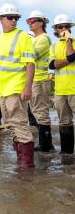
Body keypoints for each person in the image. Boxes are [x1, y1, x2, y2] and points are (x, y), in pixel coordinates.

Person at [0, 3, 35, 168]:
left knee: (20, 126)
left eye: (16, 18)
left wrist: (28, 87)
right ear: (1, 19)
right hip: (3, 91)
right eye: (10, 18)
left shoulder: (23, 36)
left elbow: (30, 64)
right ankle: (20, 164)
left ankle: (27, 168)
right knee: (11, 127)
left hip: (17, 89)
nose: (14, 21)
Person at [26, 10, 55, 152]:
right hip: (34, 79)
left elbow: (31, 56)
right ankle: (45, 144)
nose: (29, 24)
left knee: (41, 112)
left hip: (40, 79)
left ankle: (46, 145)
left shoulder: (43, 38)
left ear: (41, 22)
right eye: (28, 21)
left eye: (32, 21)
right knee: (36, 111)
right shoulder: (34, 39)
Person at [49, 14, 75, 154]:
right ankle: (67, 154)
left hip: (74, 90)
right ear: (56, 29)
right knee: (64, 123)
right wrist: (69, 59)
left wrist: (69, 40)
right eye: (60, 27)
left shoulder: (74, 42)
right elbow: (52, 65)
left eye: (66, 26)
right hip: (60, 92)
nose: (64, 29)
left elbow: (71, 54)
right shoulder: (54, 46)